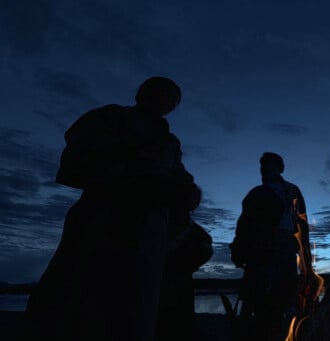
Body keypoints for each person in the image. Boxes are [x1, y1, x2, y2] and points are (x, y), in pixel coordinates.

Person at [25, 76, 203, 341]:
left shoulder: (170, 142)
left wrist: (187, 192)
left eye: (173, 99)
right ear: (143, 93)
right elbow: (80, 157)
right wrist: (137, 164)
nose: (166, 101)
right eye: (162, 93)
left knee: (143, 296)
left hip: (153, 224)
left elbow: (179, 177)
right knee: (89, 292)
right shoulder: (111, 117)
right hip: (107, 217)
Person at [229, 152, 317, 341]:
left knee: (283, 300)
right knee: (261, 303)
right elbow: (243, 226)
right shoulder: (256, 194)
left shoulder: (292, 192)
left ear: (279, 168)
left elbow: (303, 225)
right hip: (261, 255)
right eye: (262, 166)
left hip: (284, 254)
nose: (264, 170)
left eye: (268, 165)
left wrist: (307, 262)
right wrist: (239, 251)